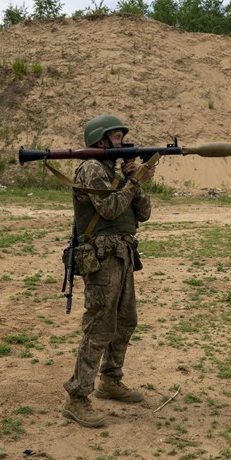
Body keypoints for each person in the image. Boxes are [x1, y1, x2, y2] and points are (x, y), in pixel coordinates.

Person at [62, 115, 157, 428]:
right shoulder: (91, 169)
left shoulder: (113, 172)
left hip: (122, 255)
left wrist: (134, 178)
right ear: (101, 141)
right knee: (99, 326)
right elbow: (111, 209)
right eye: (117, 138)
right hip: (102, 258)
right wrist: (133, 182)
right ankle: (77, 397)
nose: (124, 143)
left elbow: (143, 213)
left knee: (126, 321)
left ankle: (110, 380)